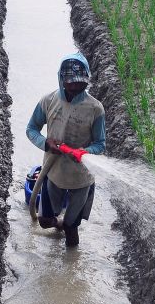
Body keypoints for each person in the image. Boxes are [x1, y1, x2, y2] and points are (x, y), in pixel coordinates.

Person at [26, 53, 106, 248]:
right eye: (71, 84)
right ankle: (57, 224)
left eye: (81, 83)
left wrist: (84, 152)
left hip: (81, 178)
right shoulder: (49, 101)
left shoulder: (95, 108)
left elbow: (100, 144)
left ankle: (72, 264)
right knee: (44, 221)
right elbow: (31, 129)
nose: (76, 87)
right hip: (53, 172)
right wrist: (46, 144)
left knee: (72, 228)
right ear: (62, 80)